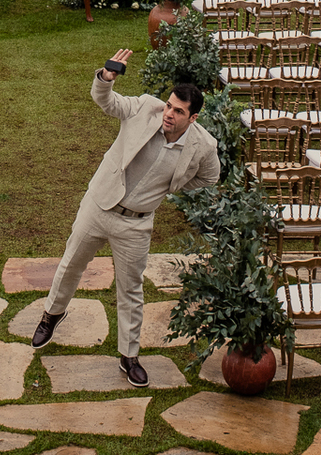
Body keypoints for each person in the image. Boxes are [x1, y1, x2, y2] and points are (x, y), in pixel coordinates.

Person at [32, 48, 220, 387]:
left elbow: (210, 177)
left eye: (178, 111)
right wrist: (107, 77)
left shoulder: (204, 145)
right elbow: (107, 102)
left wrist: (173, 187)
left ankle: (129, 357)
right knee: (71, 263)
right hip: (99, 204)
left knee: (131, 290)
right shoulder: (145, 108)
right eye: (168, 105)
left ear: (192, 118)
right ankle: (52, 315)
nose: (169, 113)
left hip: (136, 223)